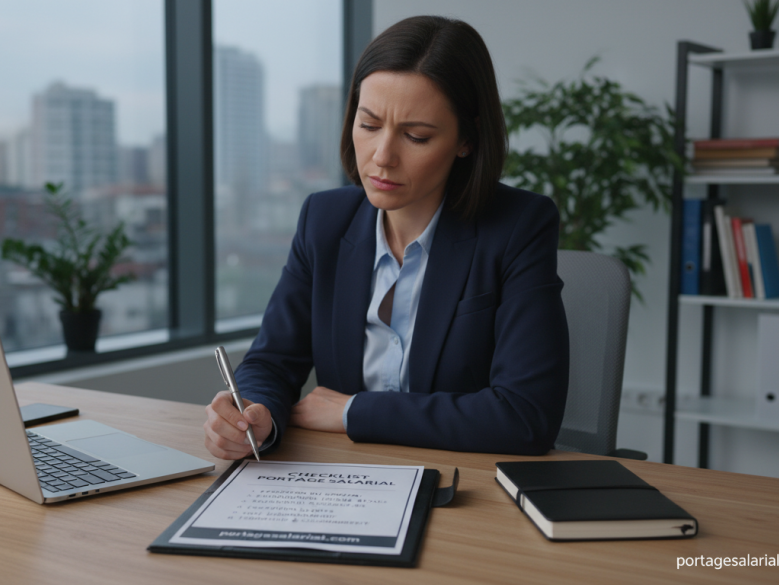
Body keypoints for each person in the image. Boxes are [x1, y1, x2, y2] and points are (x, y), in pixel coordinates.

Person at [204, 15, 569, 458]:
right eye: (369, 124)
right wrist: (255, 412)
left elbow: (525, 416)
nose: (382, 156)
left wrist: (353, 412)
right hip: (346, 479)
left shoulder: (518, 226)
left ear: (466, 140)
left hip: (465, 487)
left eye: (416, 136)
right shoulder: (324, 219)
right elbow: (272, 361)